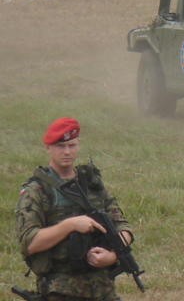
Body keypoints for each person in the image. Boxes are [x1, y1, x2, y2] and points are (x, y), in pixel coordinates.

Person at [15, 117, 135, 300]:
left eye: (72, 145)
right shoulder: (37, 191)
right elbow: (29, 243)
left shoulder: (92, 184)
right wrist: (69, 225)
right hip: (61, 289)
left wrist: (112, 255)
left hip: (103, 289)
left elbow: (123, 228)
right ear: (48, 148)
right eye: (60, 146)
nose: (67, 152)